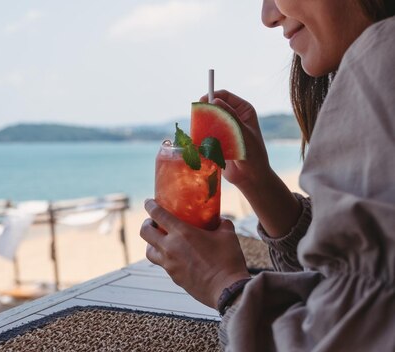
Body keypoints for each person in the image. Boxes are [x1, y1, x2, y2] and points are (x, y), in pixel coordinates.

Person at [140, 0, 395, 350]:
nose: (268, 16)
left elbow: (341, 334)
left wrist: (224, 285)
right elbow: (350, 271)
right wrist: (256, 181)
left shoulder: (383, 57)